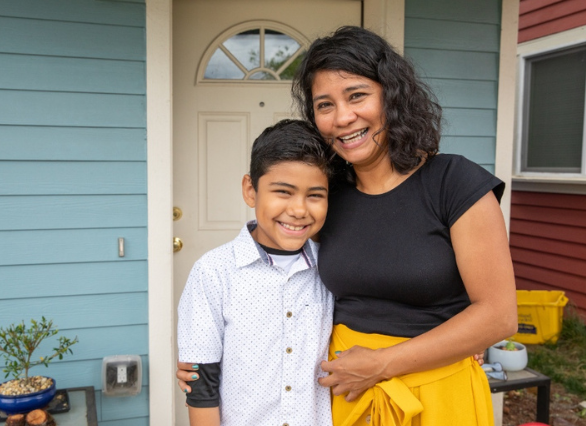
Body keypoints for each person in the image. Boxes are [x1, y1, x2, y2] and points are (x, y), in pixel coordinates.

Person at [179, 26, 517, 426]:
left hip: (437, 392)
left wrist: (383, 363)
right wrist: (208, 361)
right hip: (342, 398)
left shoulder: (454, 183)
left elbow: (498, 315)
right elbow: (277, 280)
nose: (342, 118)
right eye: (324, 105)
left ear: (391, 95)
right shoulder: (326, 198)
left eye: (357, 95)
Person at [177, 119, 336, 426]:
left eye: (315, 195)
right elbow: (200, 385)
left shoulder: (331, 269)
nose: (300, 209)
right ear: (251, 190)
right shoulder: (213, 272)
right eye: (283, 192)